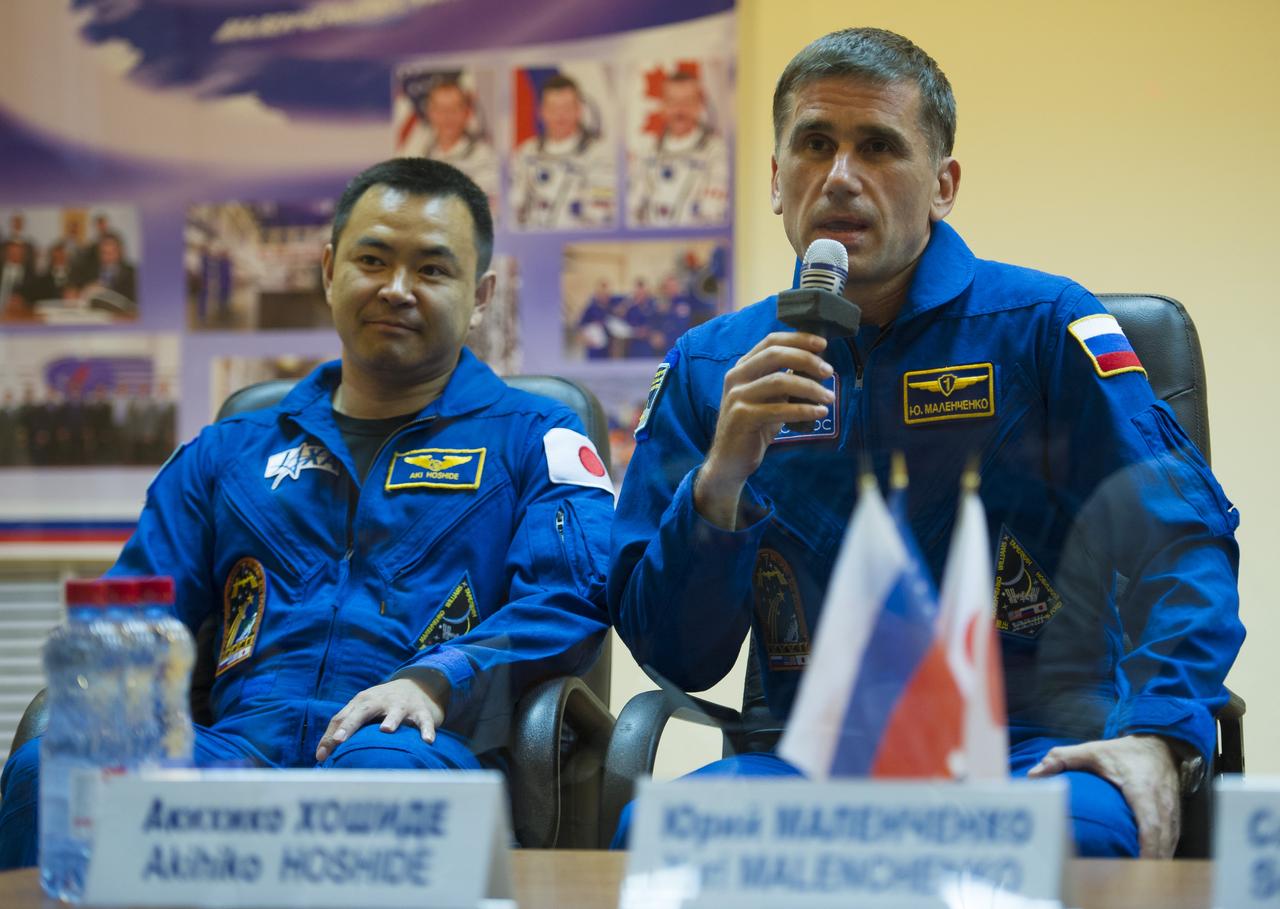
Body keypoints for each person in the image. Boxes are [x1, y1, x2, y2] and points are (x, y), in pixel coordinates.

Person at [608, 28, 1242, 859]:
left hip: (1030, 746)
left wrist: (1159, 732)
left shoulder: (1044, 326)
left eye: (878, 146)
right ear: (775, 179)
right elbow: (680, 656)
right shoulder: (708, 366)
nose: (840, 177)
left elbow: (1178, 541)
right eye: (814, 145)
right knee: (652, 837)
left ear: (942, 185)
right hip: (808, 759)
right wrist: (718, 485)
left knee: (1078, 840)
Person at [0, 157, 614, 868]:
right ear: (328, 269)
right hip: (231, 748)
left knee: (376, 779)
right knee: (59, 766)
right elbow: (141, 613)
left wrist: (441, 675)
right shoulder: (229, 452)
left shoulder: (536, 439)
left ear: (480, 295)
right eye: (373, 259)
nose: (396, 288)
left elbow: (572, 596)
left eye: (432, 270)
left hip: (414, 745)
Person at [510, 74, 616, 230]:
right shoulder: (525, 153)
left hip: (582, 247)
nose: (560, 116)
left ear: (578, 110)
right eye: (553, 108)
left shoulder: (600, 154)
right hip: (533, 247)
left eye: (567, 108)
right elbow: (511, 206)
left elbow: (603, 211)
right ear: (541, 112)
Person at [628, 69, 730, 228]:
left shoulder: (717, 152)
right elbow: (631, 207)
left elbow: (715, 210)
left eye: (688, 101)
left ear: (699, 105)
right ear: (663, 105)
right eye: (673, 102)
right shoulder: (647, 151)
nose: (680, 110)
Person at [407, 77, 499, 205]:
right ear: (430, 113)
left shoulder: (484, 155)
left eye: (454, 108)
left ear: (466, 113)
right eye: (440, 109)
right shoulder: (418, 153)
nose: (447, 116)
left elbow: (487, 206)